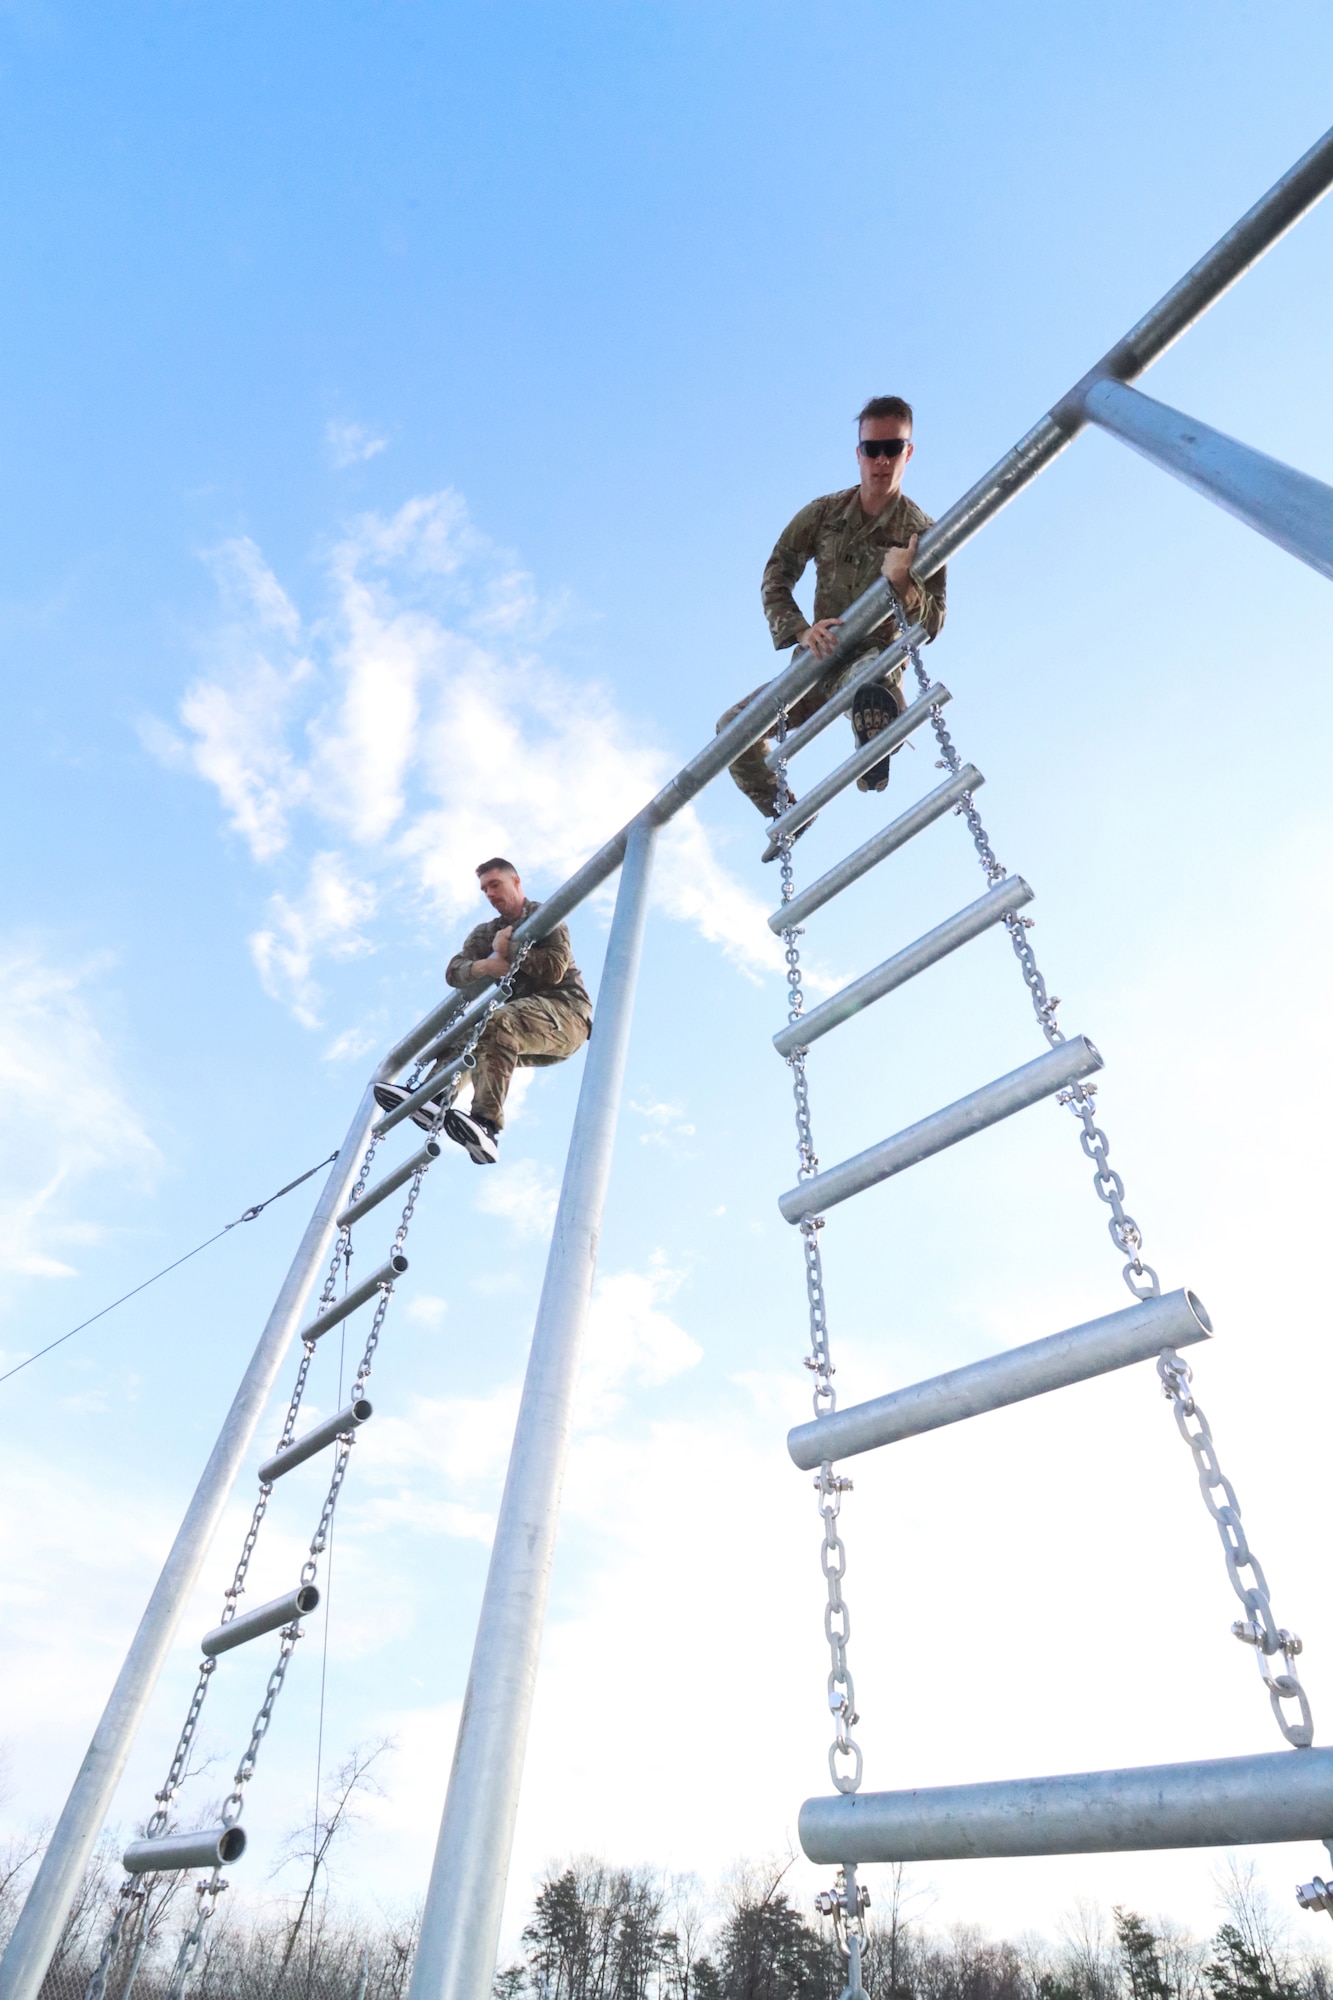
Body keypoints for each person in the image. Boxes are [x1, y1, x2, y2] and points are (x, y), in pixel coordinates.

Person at [717, 395, 947, 828]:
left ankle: (876, 732)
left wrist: (904, 582)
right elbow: (777, 571)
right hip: (818, 659)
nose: (882, 461)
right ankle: (788, 816)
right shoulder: (824, 514)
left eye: (893, 448)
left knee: (866, 685)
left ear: (909, 452)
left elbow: (934, 621)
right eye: (872, 449)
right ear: (858, 453)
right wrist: (800, 630)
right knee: (732, 729)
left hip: (871, 661)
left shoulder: (921, 533)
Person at [373, 858, 592, 1165]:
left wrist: (509, 949)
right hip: (522, 1022)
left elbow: (555, 969)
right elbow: (453, 971)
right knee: (470, 1030)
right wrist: (486, 966)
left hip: (567, 1015)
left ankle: (486, 1126)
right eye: (485, 889)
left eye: (495, 885)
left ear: (516, 882)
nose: (490, 894)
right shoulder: (486, 932)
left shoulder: (546, 916)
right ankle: (434, 1098)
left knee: (499, 1021)